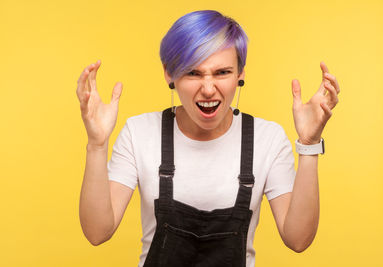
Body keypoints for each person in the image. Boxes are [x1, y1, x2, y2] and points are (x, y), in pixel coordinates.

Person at [77, 10, 340, 267]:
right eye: (193, 73)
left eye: (222, 72)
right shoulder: (139, 132)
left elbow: (298, 239)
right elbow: (97, 232)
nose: (208, 89)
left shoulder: (267, 139)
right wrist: (97, 145)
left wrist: (308, 145)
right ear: (170, 73)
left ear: (241, 73)